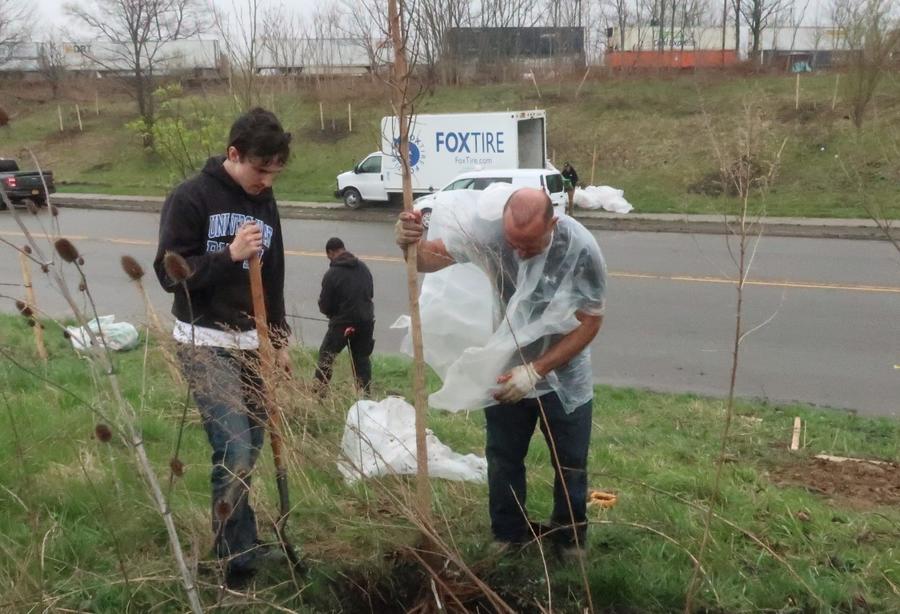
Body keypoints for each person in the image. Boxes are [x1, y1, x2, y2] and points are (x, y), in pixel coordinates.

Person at [394, 187, 607, 556]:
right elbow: (429, 260)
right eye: (513, 243)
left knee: (570, 461)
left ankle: (569, 538)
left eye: (529, 244)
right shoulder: (490, 235)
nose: (519, 252)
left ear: (552, 223)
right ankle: (508, 535)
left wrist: (538, 370)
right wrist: (407, 242)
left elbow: (590, 322)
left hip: (563, 372)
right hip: (507, 368)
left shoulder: (581, 248)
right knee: (503, 456)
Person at [153, 107, 293, 589]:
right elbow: (169, 273)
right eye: (260, 169)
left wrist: (279, 340)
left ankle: (243, 538)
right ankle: (234, 562)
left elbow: (273, 276)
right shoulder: (191, 197)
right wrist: (227, 255)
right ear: (234, 154)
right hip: (203, 340)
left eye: (276, 171)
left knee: (251, 448)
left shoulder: (265, 199)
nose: (267, 180)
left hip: (254, 342)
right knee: (233, 449)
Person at [315, 237, 375, 394]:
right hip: (366, 321)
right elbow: (370, 293)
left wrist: (332, 314)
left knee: (326, 358)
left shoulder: (332, 274)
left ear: (331, 252)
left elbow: (325, 305)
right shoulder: (363, 268)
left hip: (342, 324)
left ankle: (319, 394)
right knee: (361, 359)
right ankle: (365, 394)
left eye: (328, 256)